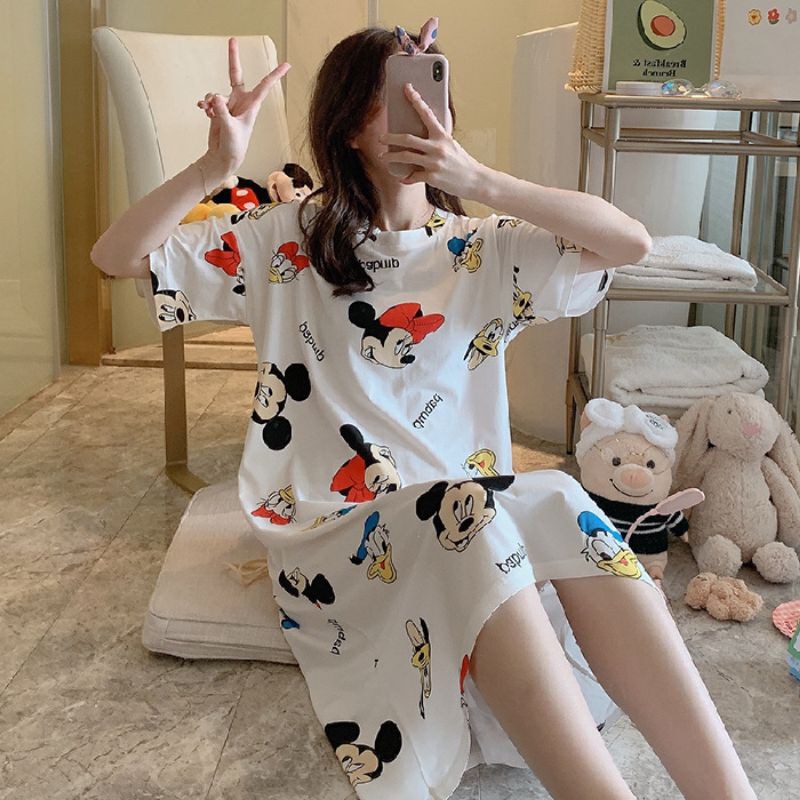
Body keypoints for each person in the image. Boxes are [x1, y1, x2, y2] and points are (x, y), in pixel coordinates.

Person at [91, 22, 758, 800]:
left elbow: (629, 243)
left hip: (464, 513)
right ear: (349, 125)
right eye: (392, 93)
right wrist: (215, 166)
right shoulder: (287, 242)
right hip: (336, 526)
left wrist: (480, 178)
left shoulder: (481, 246)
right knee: (468, 513)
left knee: (558, 495)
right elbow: (116, 257)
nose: (418, 107)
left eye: (427, 84)